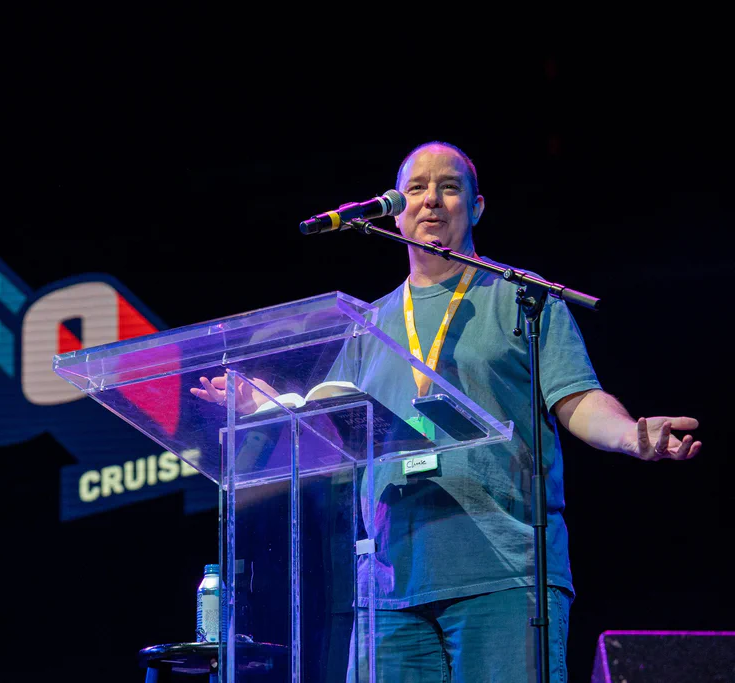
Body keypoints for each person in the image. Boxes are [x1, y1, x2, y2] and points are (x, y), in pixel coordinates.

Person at [191, 141, 701, 682]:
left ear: (476, 207)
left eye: (449, 187)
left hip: (503, 576)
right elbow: (329, 428)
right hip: (389, 590)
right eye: (415, 189)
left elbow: (576, 399)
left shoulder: (521, 299)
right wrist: (265, 408)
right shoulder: (369, 325)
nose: (431, 199)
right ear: (396, 209)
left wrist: (629, 435)